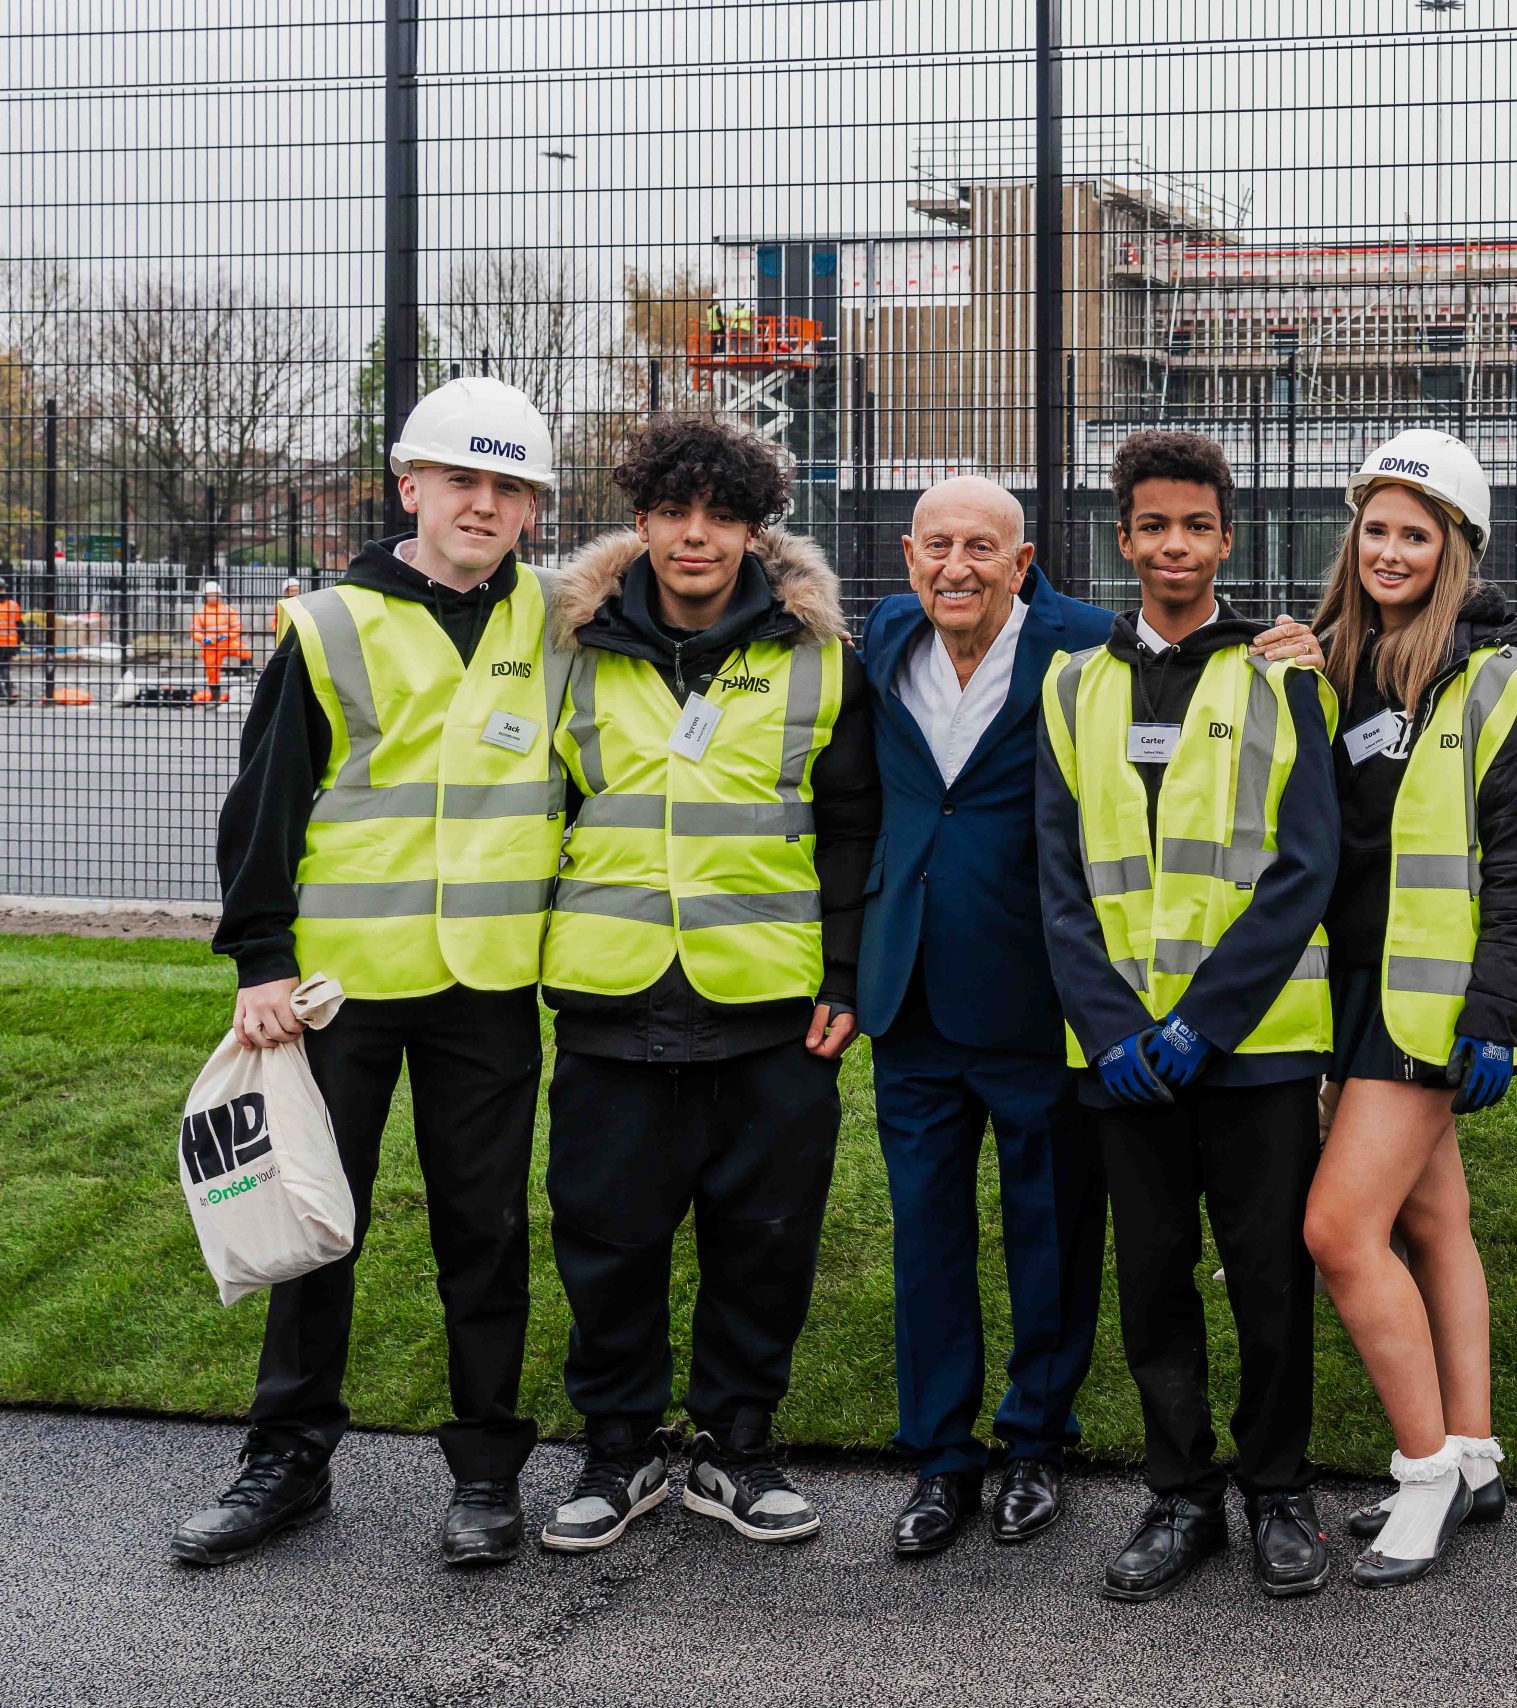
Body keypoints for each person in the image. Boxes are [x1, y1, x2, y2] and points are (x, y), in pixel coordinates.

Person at [183, 376, 571, 1568]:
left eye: (510, 487)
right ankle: (287, 1459)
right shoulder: (329, 624)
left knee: (485, 1227)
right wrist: (260, 956)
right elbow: (266, 805)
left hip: (488, 982)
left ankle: (488, 1472)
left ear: (531, 510)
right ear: (411, 486)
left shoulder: (560, 622)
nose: (484, 503)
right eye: (463, 478)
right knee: (313, 1223)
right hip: (337, 987)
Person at [532, 415, 877, 1554]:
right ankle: (618, 1452)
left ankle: (737, 1451)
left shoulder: (819, 657)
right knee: (607, 1240)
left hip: (769, 1008)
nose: (695, 536)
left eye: (721, 515)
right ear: (638, 521)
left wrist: (844, 971)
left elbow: (851, 828)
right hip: (610, 1000)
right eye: (673, 512)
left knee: (764, 1241)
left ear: (753, 528)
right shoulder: (567, 646)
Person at [1251, 432, 1517, 1589]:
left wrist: (1493, 1017)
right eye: (1375, 529)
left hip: (1427, 1010)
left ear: (1455, 550)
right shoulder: (1335, 659)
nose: (1389, 550)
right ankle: (1475, 1452)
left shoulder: (1495, 674)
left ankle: (1423, 1470)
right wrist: (1293, 665)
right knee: (1434, 1223)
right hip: (1347, 991)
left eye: (1414, 534)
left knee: (1338, 1230)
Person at [1036, 429, 1340, 1602]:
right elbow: (1059, 876)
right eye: (1152, 524)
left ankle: (1276, 1493)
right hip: (1120, 1056)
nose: (1175, 544)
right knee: (1153, 1273)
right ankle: (1178, 1495)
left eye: (1196, 525)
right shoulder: (1074, 684)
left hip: (1253, 1046)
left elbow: (1305, 864)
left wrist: (1204, 1020)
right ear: (1125, 540)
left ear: (1226, 537)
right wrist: (1113, 1028)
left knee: (1267, 1274)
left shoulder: (1281, 673)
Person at [857, 476, 1110, 1557]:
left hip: (1037, 996)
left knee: (1049, 1231)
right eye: (937, 546)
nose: (956, 567)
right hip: (906, 989)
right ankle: (941, 1456)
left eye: (981, 547)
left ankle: (1037, 1444)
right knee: (928, 1236)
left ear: (1024, 556)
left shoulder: (1088, 644)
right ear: (909, 557)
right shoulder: (883, 636)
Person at [191, 579, 249, 704]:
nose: (213, 597)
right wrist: (202, 638)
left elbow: (238, 627)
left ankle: (250, 678)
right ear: (205, 596)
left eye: (215, 594)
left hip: (226, 642)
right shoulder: (201, 613)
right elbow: (195, 632)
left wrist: (227, 635)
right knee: (212, 671)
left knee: (245, 651)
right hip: (210, 646)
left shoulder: (227, 610)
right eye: (210, 594)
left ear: (220, 595)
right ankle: (215, 698)